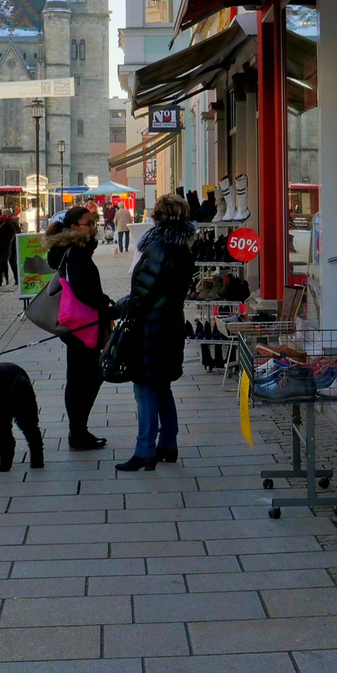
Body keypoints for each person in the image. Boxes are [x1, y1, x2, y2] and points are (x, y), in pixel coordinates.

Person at [116, 194, 195, 471]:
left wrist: (119, 309)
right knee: (162, 386)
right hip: (171, 324)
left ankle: (145, 450)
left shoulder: (158, 247)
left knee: (145, 387)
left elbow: (143, 295)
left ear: (158, 216)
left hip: (150, 328)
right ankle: (168, 444)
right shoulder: (183, 248)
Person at [47, 206, 112, 450]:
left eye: (95, 222)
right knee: (85, 378)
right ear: (74, 227)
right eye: (89, 223)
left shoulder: (70, 249)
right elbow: (83, 289)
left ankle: (79, 430)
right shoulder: (76, 252)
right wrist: (104, 302)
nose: (94, 227)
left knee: (81, 377)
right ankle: (78, 432)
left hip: (76, 324)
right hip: (83, 323)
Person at [0, 209, 20, 287]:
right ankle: (1, 280)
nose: (3, 215)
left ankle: (15, 279)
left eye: (5, 214)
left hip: (10, 245)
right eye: (2, 214)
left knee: (10, 262)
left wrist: (9, 241)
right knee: (0, 263)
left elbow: (15, 232)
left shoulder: (10, 222)